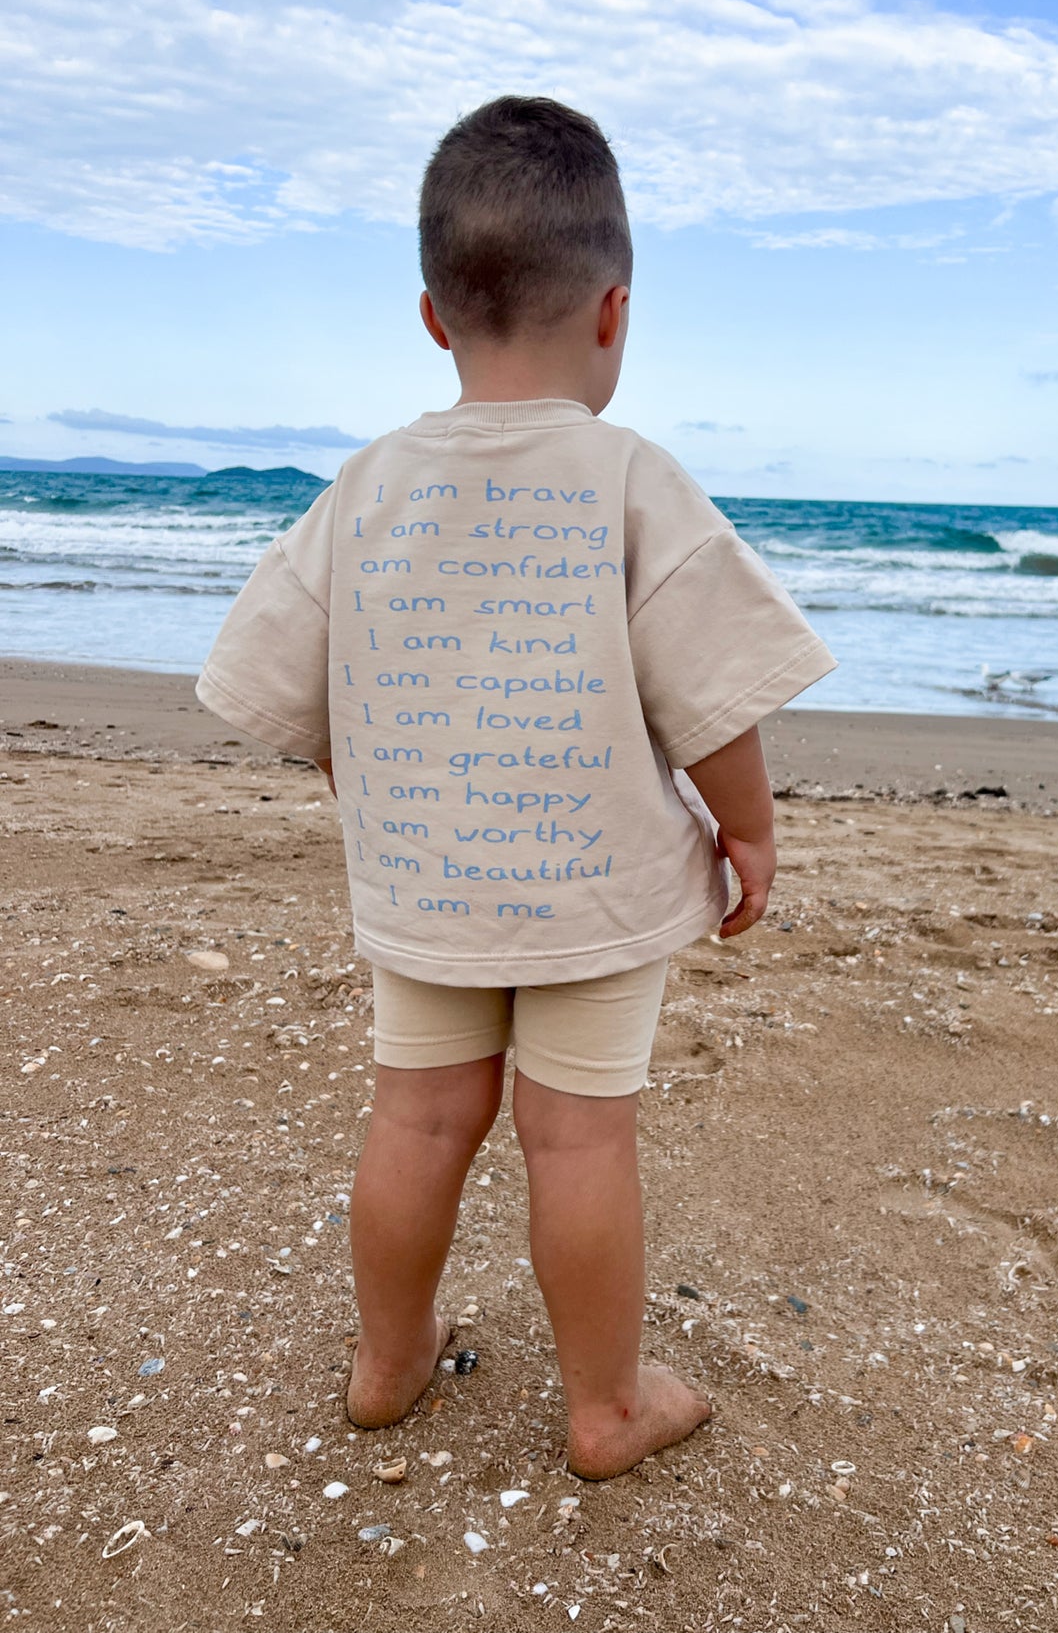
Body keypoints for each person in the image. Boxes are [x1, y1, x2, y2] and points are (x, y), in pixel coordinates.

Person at [196, 97, 835, 1479]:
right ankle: (604, 1408)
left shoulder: (364, 488)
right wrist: (750, 828)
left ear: (432, 317)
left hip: (426, 874)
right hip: (591, 883)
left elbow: (288, 693)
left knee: (418, 1116)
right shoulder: (627, 478)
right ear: (613, 311)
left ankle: (388, 1359)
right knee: (578, 1134)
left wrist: (371, 783)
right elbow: (707, 683)